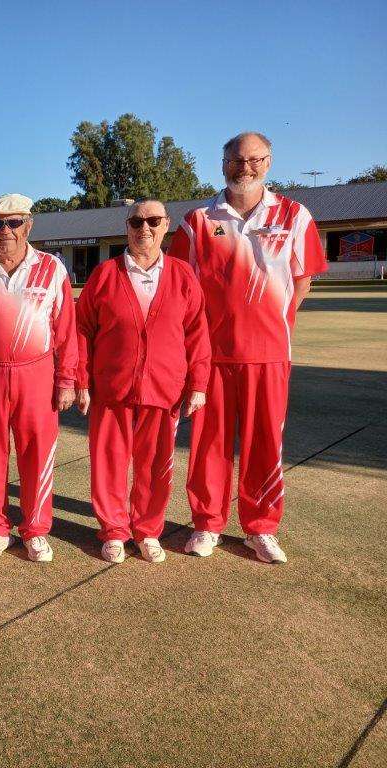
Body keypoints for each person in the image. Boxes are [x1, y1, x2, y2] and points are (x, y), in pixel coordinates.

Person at [168, 131, 327, 563]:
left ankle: (261, 527)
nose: (246, 168)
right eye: (238, 160)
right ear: (223, 165)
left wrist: (272, 323)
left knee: (264, 444)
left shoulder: (294, 215)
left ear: (269, 162)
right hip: (212, 356)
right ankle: (207, 523)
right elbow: (182, 287)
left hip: (270, 353)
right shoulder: (198, 219)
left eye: (255, 160)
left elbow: (302, 281)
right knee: (208, 443)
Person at [76, 199, 211, 564]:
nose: (144, 229)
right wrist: (81, 380)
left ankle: (148, 530)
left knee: (154, 466)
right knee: (109, 462)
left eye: (153, 221)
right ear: (127, 227)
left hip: (163, 389)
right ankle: (114, 531)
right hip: (112, 388)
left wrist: (198, 385)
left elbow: (198, 334)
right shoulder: (104, 275)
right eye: (137, 222)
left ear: (165, 225)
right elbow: (82, 331)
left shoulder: (183, 276)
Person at [0, 194, 77, 562]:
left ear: (29, 225)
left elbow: (66, 330)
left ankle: (35, 529)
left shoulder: (51, 269)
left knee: (37, 452)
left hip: (36, 373)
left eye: (14, 222)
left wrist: (66, 379)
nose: (6, 231)